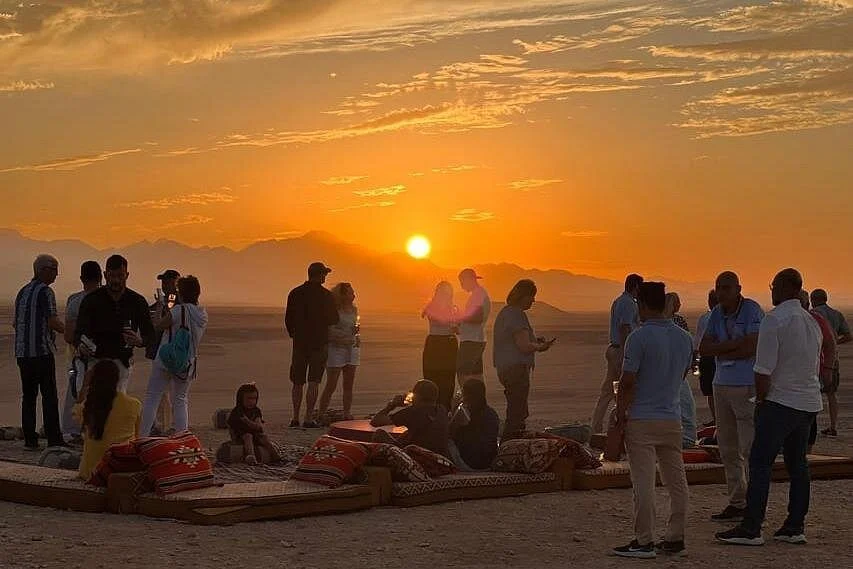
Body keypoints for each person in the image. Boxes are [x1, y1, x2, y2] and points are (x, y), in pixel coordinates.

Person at [716, 269, 822, 546]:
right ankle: (794, 525)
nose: (771, 290)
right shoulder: (811, 321)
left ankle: (751, 527)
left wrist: (762, 402)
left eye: (773, 286)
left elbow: (762, 371)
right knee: (798, 464)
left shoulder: (774, 320)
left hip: (781, 401)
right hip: (808, 402)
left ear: (785, 288)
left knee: (760, 461)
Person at [612, 282, 693, 559]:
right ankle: (675, 535)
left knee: (643, 483)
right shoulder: (684, 338)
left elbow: (627, 382)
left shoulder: (639, 338)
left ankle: (644, 539)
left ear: (643, 305)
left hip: (643, 419)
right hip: (671, 417)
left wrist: (620, 413)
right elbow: (682, 376)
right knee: (676, 480)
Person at [700, 271, 764, 522]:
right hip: (721, 384)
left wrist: (722, 350)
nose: (721, 292)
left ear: (738, 288)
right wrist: (732, 348)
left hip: (746, 384)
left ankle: (755, 503)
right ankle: (737, 501)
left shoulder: (751, 310)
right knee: (727, 447)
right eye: (718, 287)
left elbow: (751, 347)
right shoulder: (716, 314)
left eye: (726, 287)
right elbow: (704, 348)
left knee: (749, 446)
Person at [75, 255, 155, 393]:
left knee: (117, 408)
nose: (115, 280)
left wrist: (140, 341)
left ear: (127, 275)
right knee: (94, 408)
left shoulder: (137, 301)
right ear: (105, 275)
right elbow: (78, 332)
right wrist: (80, 345)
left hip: (122, 364)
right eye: (112, 276)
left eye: (120, 275)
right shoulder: (92, 300)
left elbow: (150, 335)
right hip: (95, 363)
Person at [139, 276, 208, 436]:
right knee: (180, 400)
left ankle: (142, 436)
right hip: (187, 363)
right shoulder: (202, 315)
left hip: (166, 360)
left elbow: (157, 325)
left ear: (181, 293)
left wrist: (162, 305)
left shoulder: (178, 311)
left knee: (152, 397)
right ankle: (182, 437)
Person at [14, 255, 66, 450]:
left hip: (23, 354)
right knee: (49, 395)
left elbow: (16, 323)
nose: (56, 274)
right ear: (43, 270)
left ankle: (30, 438)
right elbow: (53, 321)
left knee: (28, 397)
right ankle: (54, 438)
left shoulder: (22, 292)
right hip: (41, 353)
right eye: (54, 269)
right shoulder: (46, 292)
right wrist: (71, 333)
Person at [492, 279, 555, 439]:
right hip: (516, 369)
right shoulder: (516, 315)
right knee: (517, 413)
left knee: (515, 408)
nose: (533, 300)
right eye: (531, 296)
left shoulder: (506, 312)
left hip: (505, 368)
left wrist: (534, 341)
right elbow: (523, 346)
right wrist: (540, 347)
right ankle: (511, 445)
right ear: (523, 296)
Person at [285, 262, 340, 428]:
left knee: (297, 381)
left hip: (300, 343)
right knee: (314, 381)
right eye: (324, 274)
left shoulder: (295, 293)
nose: (325, 277)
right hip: (319, 343)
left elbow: (288, 319)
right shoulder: (326, 296)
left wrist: (295, 334)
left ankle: (295, 417)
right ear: (320, 275)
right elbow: (333, 320)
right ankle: (308, 417)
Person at [591, 274, 643, 433]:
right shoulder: (628, 303)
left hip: (614, 349)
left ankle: (596, 428)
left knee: (607, 391)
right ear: (635, 287)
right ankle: (621, 427)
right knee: (625, 390)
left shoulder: (619, 301)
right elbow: (625, 328)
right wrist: (627, 352)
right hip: (620, 350)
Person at [78, 360, 142, 482]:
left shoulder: (88, 406)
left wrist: (85, 385)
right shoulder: (134, 404)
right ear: (117, 379)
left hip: (90, 472)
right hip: (121, 469)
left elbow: (76, 409)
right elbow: (138, 439)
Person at [61, 261, 102, 440]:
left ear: (81, 278)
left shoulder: (73, 301)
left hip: (78, 356)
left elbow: (68, 336)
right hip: (101, 357)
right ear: (101, 278)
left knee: (75, 393)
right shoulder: (107, 300)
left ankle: (72, 430)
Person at [370, 379, 450, 456]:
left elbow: (375, 422)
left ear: (418, 396)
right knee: (407, 433)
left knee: (379, 434)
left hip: (417, 457)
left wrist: (392, 405)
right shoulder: (442, 410)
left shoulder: (413, 412)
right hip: (437, 457)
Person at [810, 289, 851, 437]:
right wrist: (833, 344)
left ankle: (810, 426)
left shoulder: (812, 315)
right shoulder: (837, 314)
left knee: (813, 392)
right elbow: (848, 335)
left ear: (812, 300)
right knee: (831, 394)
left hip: (816, 359)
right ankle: (833, 426)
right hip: (833, 359)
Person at [798, 291, 836, 453]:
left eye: (804, 304)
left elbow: (830, 342)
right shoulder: (780, 319)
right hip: (794, 377)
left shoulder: (816, 319)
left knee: (808, 414)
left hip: (812, 374)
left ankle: (807, 451)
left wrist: (827, 368)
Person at [318, 282, 360, 423]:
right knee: (332, 383)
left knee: (349, 383)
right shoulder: (334, 310)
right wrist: (345, 335)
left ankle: (347, 412)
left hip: (351, 348)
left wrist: (355, 335)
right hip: (336, 348)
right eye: (350, 292)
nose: (353, 295)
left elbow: (355, 327)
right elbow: (329, 329)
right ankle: (321, 412)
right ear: (342, 295)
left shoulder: (354, 309)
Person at [147, 269, 181, 436]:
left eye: (168, 282)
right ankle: (166, 424)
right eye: (163, 282)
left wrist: (160, 307)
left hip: (169, 352)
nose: (164, 285)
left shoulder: (174, 299)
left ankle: (165, 425)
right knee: (168, 393)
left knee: (165, 392)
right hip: (166, 351)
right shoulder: (171, 299)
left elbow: (165, 318)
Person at [665, 292, 698, 448]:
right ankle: (687, 437)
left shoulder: (678, 321)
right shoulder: (673, 323)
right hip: (673, 369)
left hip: (674, 369)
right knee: (683, 403)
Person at [421, 281, 459, 411]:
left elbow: (456, 327)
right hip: (436, 343)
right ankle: (432, 409)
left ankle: (444, 410)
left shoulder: (452, 307)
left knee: (448, 381)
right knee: (432, 378)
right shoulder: (432, 306)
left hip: (448, 343)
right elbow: (440, 319)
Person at [448, 378, 500, 471]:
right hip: (489, 461)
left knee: (447, 442)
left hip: (470, 462)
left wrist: (454, 411)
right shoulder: (491, 412)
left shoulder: (465, 412)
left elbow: (449, 433)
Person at [227, 383, 281, 465]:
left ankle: (276, 457)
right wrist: (234, 440)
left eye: (254, 398)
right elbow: (230, 426)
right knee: (248, 436)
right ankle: (251, 457)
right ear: (241, 399)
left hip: (255, 434)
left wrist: (248, 422)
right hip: (241, 436)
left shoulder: (256, 411)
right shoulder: (237, 411)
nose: (251, 401)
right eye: (248, 398)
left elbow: (259, 427)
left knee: (263, 438)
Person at [456, 268, 491, 385]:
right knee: (476, 374)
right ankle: (478, 399)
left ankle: (466, 398)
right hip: (476, 338)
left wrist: (460, 317)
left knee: (462, 372)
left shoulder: (478, 294)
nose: (461, 286)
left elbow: (477, 318)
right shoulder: (479, 293)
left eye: (462, 282)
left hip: (472, 340)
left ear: (469, 280)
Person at [694, 290, 719, 425]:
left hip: (708, 358)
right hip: (720, 358)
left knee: (710, 392)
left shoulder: (705, 318)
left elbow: (698, 342)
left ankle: (716, 419)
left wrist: (694, 358)